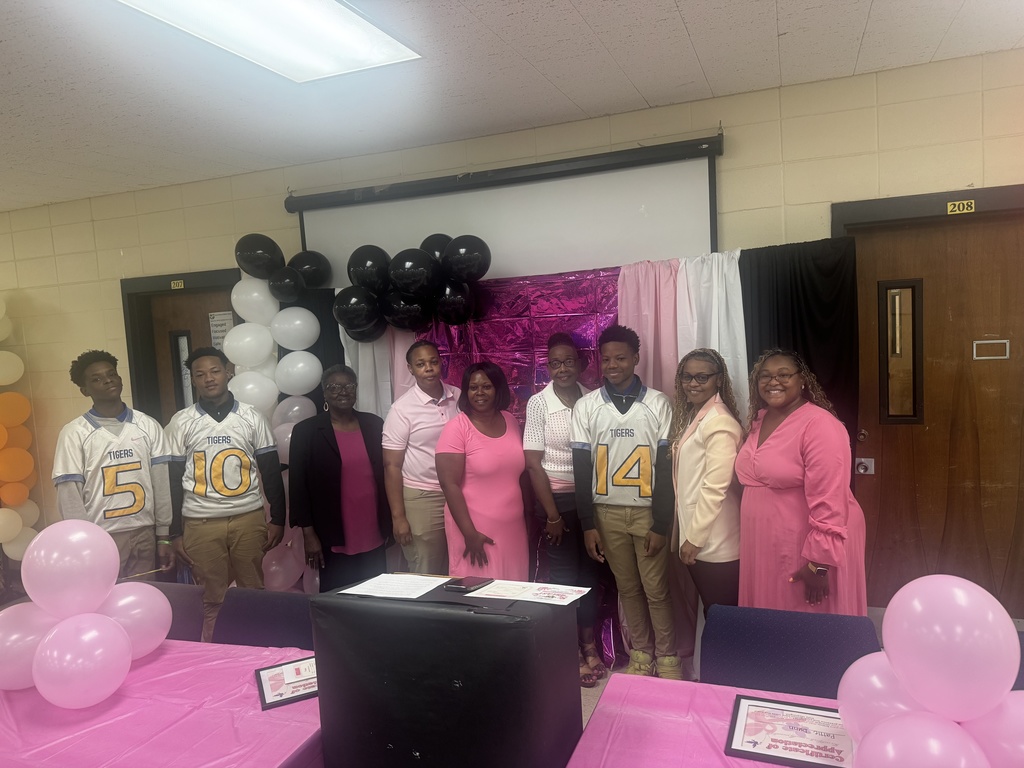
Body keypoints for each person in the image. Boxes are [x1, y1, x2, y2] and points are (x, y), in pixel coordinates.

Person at [571, 324, 683, 680]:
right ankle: (640, 653)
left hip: (647, 513)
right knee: (628, 588)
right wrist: (588, 523)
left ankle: (667, 658)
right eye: (606, 359)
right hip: (606, 513)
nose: (613, 364)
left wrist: (661, 522)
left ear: (636, 358)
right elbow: (581, 470)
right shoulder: (587, 407)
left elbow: (665, 470)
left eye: (621, 357)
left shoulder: (659, 403)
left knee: (656, 589)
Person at [165, 347, 286, 641]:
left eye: (215, 371)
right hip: (201, 522)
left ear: (228, 372)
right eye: (200, 374)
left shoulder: (251, 416)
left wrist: (279, 518)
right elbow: (171, 480)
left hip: (248, 518)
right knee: (211, 597)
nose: (209, 379)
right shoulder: (181, 421)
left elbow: (269, 470)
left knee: (253, 592)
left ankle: (258, 649)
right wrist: (174, 532)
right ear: (193, 379)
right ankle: (215, 656)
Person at [736, 348, 867, 616]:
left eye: (784, 374)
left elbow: (830, 496)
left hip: (806, 545)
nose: (774, 382)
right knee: (774, 621)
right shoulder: (759, 420)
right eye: (765, 376)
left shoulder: (820, 425)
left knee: (807, 621)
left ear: (802, 380)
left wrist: (819, 563)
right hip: (766, 544)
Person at [524, 333, 607, 687]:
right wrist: (553, 516)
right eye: (555, 363)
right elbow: (532, 463)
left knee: (591, 577)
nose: (562, 368)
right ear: (548, 365)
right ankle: (566, 648)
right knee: (563, 580)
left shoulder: (593, 400)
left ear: (581, 363)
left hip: (592, 502)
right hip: (555, 501)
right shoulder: (539, 403)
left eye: (568, 361)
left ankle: (589, 644)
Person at [53, 350, 174, 578]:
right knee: (101, 601)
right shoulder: (74, 433)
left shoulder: (148, 425)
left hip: (143, 533)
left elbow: (161, 486)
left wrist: (164, 535)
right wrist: (83, 540)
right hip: (101, 536)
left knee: (142, 600)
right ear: (84, 390)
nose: (108, 380)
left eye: (111, 374)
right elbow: (69, 495)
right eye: (96, 378)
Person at [289, 365, 391, 590]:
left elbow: (387, 473)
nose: (342, 391)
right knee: (338, 595)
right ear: (324, 393)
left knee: (376, 592)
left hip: (372, 526)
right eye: (334, 387)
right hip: (332, 531)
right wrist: (308, 534)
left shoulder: (374, 425)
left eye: (348, 386)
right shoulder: (306, 431)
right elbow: (298, 485)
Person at [435, 361, 528, 579]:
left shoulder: (510, 420)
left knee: (513, 591)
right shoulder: (457, 428)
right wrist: (469, 534)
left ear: (498, 389)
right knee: (479, 598)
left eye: (486, 386)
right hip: (475, 530)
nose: (479, 393)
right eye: (473, 387)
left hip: (513, 528)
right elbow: (449, 484)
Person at [670, 348, 742, 616]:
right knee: (715, 612)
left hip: (715, 541)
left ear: (719, 380)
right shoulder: (699, 415)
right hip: (703, 536)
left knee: (722, 615)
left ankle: (727, 659)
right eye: (687, 377)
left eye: (702, 377)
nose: (692, 384)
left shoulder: (719, 423)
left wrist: (694, 538)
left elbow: (715, 487)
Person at [382, 341, 460, 575]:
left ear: (441, 363)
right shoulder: (402, 409)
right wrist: (398, 518)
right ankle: (424, 613)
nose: (428, 368)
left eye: (433, 362)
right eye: (421, 364)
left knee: (456, 566)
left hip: (458, 493)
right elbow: (391, 466)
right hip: (422, 497)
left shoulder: (458, 396)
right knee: (426, 568)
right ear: (410, 369)